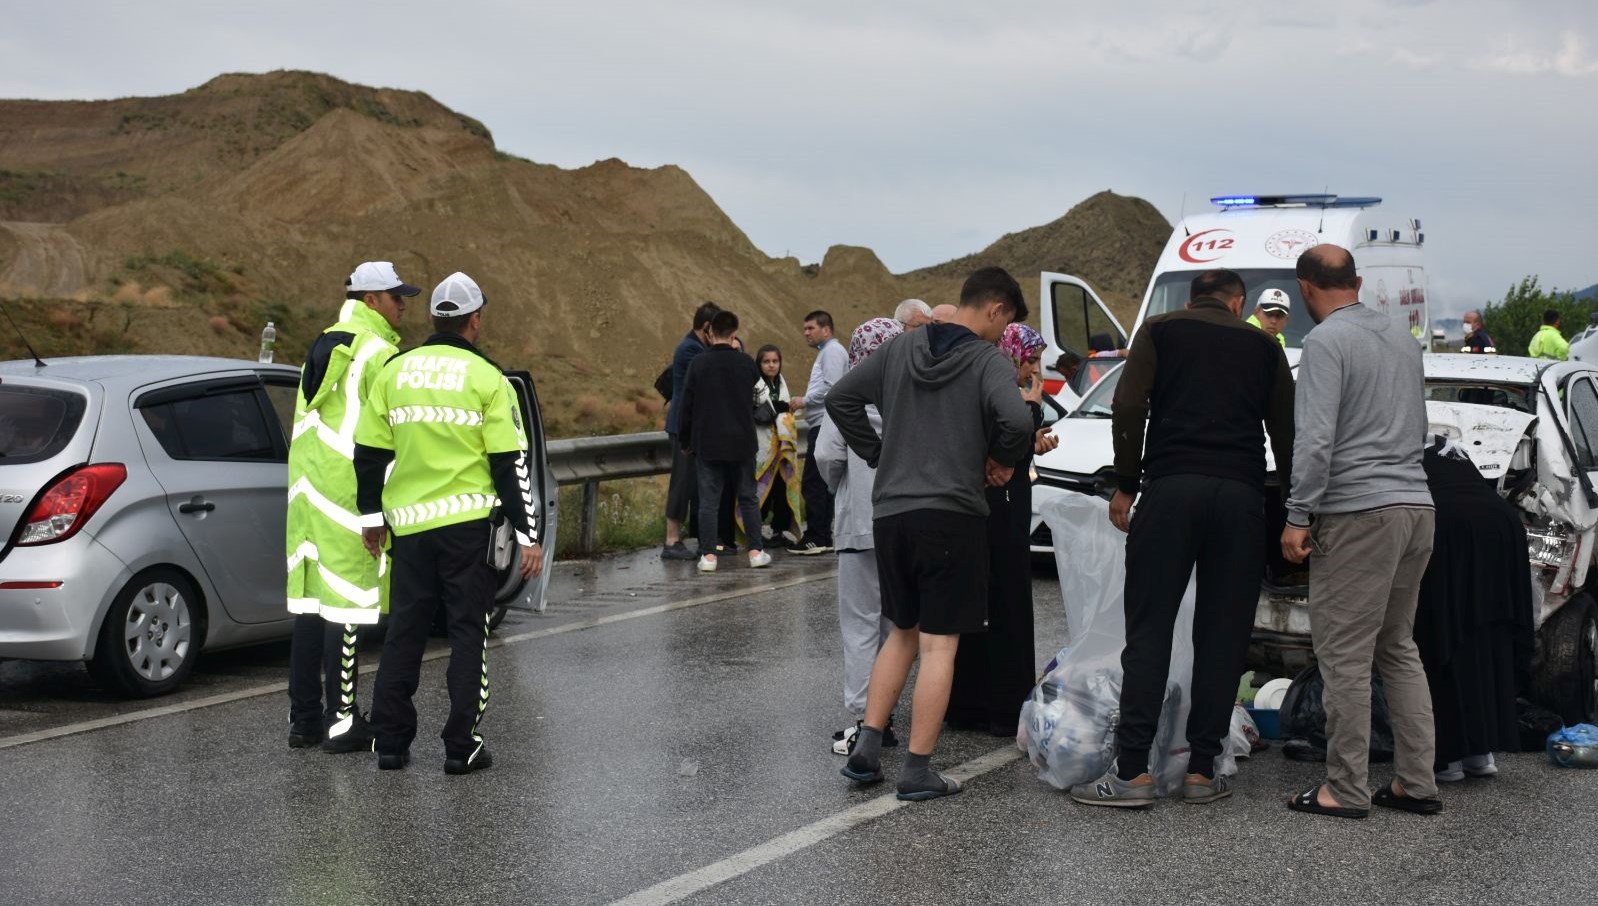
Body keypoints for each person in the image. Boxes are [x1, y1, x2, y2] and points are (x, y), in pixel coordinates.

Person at [1070, 269, 1295, 808]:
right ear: (1238, 302)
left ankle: (1131, 774)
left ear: (1193, 299)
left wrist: (1127, 483)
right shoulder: (1264, 346)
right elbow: (1288, 431)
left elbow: (1128, 406)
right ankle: (1200, 772)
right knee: (1222, 635)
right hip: (1240, 499)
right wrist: (1292, 509)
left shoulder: (1160, 329)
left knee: (1149, 631)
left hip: (1170, 491)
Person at [829, 266, 1034, 801]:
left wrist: (880, 454)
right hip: (951, 515)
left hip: (891, 513)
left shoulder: (901, 349)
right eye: (1006, 321)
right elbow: (1017, 422)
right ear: (995, 309)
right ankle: (918, 770)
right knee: (940, 645)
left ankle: (867, 751)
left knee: (901, 632)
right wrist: (1000, 460)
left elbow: (840, 400)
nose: (1003, 333)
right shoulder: (987, 360)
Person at [355, 272, 543, 774]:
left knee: (405, 634)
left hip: (410, 530)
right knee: (467, 636)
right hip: (468, 531)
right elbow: (510, 464)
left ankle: (390, 744)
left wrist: (372, 519)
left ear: (434, 317)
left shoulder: (395, 372)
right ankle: (462, 747)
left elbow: (368, 454)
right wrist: (528, 534)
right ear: (474, 320)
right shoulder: (488, 379)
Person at [1280, 244, 1439, 819]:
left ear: (1304, 288)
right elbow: (1417, 424)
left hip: (1357, 513)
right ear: (1358, 281)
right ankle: (1415, 782)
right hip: (1416, 506)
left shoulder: (1324, 342)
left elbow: (1316, 439)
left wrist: (1299, 515)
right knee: (1397, 647)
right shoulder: (1402, 337)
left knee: (1344, 654)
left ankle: (1343, 789)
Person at [286, 261, 416, 753]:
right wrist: (375, 508)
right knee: (349, 605)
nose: (402, 304)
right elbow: (383, 433)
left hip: (306, 489)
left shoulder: (322, 343)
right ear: (370, 301)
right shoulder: (378, 351)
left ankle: (304, 721)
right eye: (394, 296)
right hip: (348, 492)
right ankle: (343, 721)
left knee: (312, 606)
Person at [948, 324, 1060, 737]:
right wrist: (1030, 413)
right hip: (995, 508)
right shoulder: (998, 390)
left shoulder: (998, 387)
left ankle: (977, 705)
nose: (1033, 369)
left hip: (1002, 504)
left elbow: (1011, 446)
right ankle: (996, 708)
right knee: (1001, 601)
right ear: (1009, 354)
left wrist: (1033, 440)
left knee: (999, 600)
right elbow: (999, 441)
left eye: (1037, 360)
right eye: (1028, 359)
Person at [1413, 436, 1533, 783]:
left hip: (1446, 569)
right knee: (1489, 654)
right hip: (1496, 581)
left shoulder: (1429, 492)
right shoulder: (1494, 504)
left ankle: (1446, 758)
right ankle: (1481, 754)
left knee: (1439, 648)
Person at [815, 318, 905, 755]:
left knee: (859, 626)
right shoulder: (906, 400)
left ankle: (862, 721)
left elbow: (826, 455)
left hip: (857, 524)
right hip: (900, 522)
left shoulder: (849, 395)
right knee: (894, 624)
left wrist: (841, 486)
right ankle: (885, 715)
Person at [676, 309, 772, 573]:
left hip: (708, 443)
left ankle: (708, 557)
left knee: (709, 501)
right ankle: (755, 552)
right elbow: (762, 400)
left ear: (710, 332)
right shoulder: (746, 364)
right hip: (742, 442)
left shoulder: (698, 363)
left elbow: (687, 407)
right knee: (748, 498)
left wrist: (686, 440)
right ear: (734, 334)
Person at [661, 302, 721, 560]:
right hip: (684, 428)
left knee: (696, 486)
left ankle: (700, 538)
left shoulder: (698, 348)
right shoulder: (690, 350)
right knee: (682, 484)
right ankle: (671, 540)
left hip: (696, 428)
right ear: (707, 327)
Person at [788, 310, 847, 555]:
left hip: (825, 424)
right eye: (805, 329)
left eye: (811, 328)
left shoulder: (832, 351)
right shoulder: (827, 352)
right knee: (820, 483)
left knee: (814, 482)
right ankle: (821, 534)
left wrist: (804, 400)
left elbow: (832, 386)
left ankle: (817, 536)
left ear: (826, 329)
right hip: (821, 423)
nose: (806, 333)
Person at [752, 344, 801, 546]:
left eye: (775, 361)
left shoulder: (781, 382)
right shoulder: (755, 384)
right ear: (759, 364)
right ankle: (755, 531)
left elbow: (787, 409)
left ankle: (779, 530)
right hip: (763, 445)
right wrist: (780, 410)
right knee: (761, 489)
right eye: (766, 361)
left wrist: (782, 411)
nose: (771, 366)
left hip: (781, 446)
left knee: (781, 488)